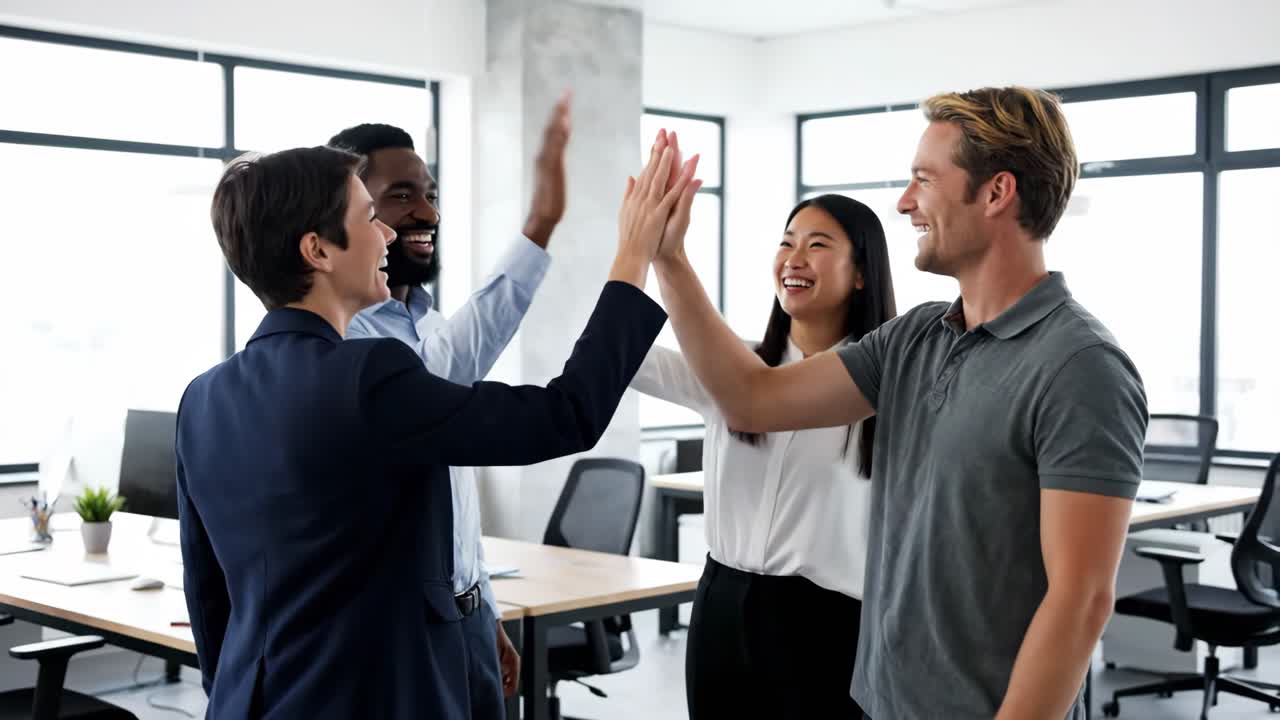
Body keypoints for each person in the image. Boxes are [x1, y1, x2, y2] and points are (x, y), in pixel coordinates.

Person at [651, 89, 1148, 719]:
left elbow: (1080, 600)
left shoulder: (1081, 366)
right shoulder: (913, 338)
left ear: (996, 193)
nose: (905, 202)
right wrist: (669, 259)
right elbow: (752, 399)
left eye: (923, 180)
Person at [176, 133, 699, 719]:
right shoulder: (368, 376)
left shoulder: (202, 398)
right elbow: (564, 416)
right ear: (318, 250)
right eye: (371, 217)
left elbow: (210, 599)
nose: (389, 235)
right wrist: (632, 258)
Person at [327, 95, 570, 714]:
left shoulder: (425, 325)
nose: (427, 211)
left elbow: (453, 500)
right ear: (346, 214)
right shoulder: (348, 340)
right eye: (402, 195)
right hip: (400, 637)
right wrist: (538, 226)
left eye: (430, 192)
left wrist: (482, 607)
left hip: (462, 617)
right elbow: (442, 376)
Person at [631, 194, 894, 719]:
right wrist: (636, 250)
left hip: (828, 621)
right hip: (722, 606)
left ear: (862, 274)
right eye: (786, 243)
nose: (794, 258)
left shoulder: (888, 381)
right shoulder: (731, 371)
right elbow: (623, 355)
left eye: (817, 245)